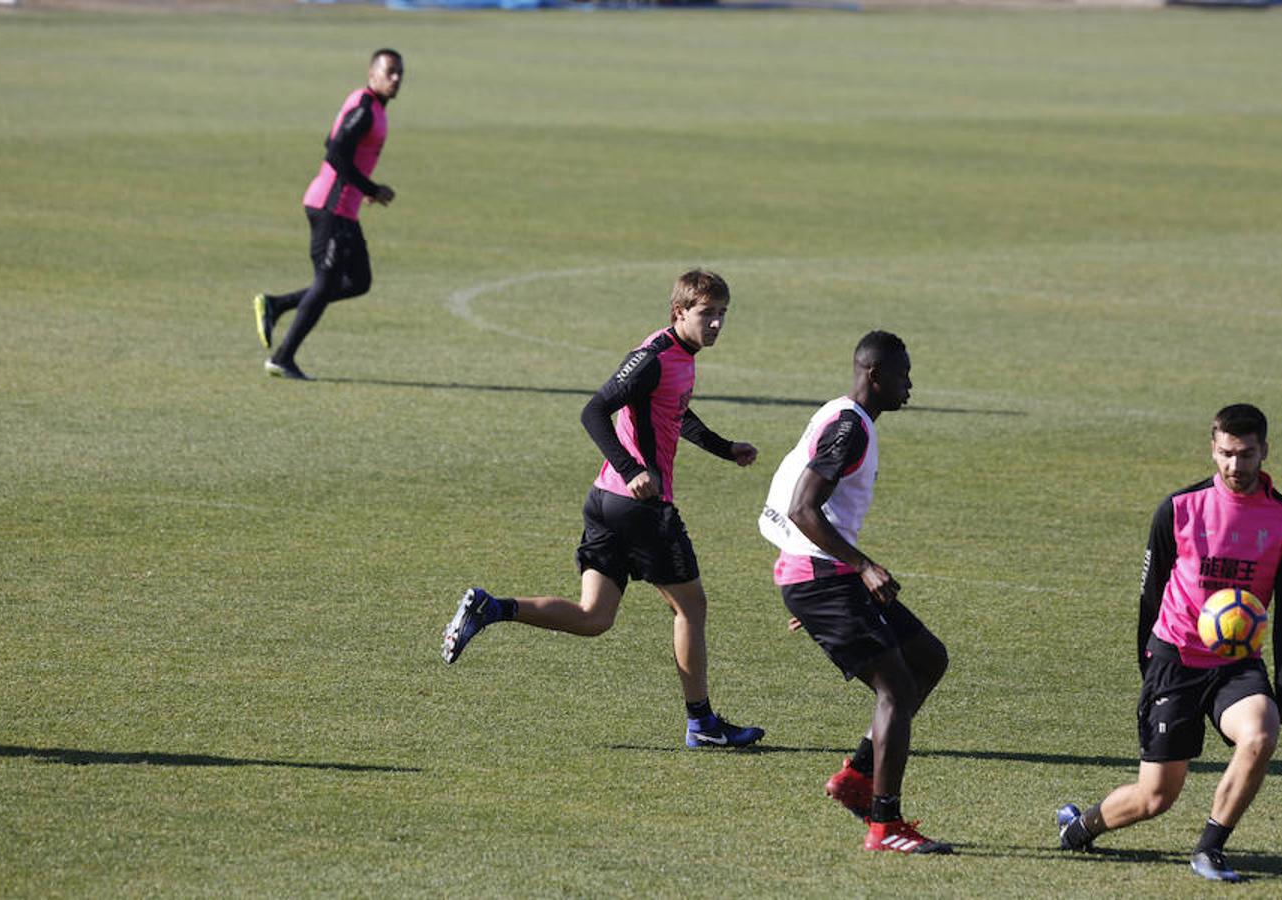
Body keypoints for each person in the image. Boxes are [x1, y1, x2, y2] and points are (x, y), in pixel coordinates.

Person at [441, 269, 765, 749]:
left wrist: (723, 447)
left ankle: (493, 608)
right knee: (691, 607)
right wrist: (633, 468)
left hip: (605, 503)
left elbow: (675, 412)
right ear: (680, 312)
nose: (716, 323)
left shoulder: (680, 355)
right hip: (640, 508)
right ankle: (703, 724)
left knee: (594, 617)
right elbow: (593, 410)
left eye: (722, 314)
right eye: (706, 314)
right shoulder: (654, 357)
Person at [1057, 403, 1282, 883]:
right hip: (1175, 658)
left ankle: (1210, 849)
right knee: (1156, 797)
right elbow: (1149, 597)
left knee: (1260, 734)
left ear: (1265, 451)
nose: (1236, 466)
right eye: (1227, 454)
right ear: (1213, 450)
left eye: (1247, 454)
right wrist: (1148, 669)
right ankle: (1080, 826)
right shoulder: (1179, 508)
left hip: (1238, 664)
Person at [758, 331, 951, 854]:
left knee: (927, 658)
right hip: (825, 578)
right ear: (875, 375)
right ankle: (885, 825)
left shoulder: (844, 416)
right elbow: (802, 506)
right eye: (903, 375)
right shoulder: (850, 429)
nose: (910, 385)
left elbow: (786, 496)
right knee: (896, 691)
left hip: (821, 576)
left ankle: (857, 778)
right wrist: (860, 568)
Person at [252, 48, 403, 381]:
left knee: (358, 281)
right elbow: (335, 153)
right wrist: (371, 188)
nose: (395, 79)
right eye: (389, 71)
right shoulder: (365, 109)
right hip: (330, 207)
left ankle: (276, 305)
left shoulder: (373, 108)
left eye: (399, 73)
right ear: (372, 73)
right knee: (327, 281)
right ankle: (282, 358)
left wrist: (363, 189)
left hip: (343, 208)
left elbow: (335, 142)